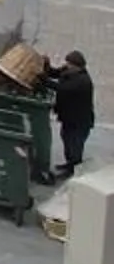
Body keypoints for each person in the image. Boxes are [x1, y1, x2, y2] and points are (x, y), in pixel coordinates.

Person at [51, 50, 93, 180]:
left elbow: (62, 88)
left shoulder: (82, 81)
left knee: (74, 146)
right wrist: (46, 66)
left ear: (77, 66)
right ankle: (69, 165)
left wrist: (43, 82)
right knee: (66, 139)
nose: (66, 66)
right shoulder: (70, 72)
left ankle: (73, 170)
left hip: (79, 121)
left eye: (69, 64)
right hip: (69, 119)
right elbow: (56, 73)